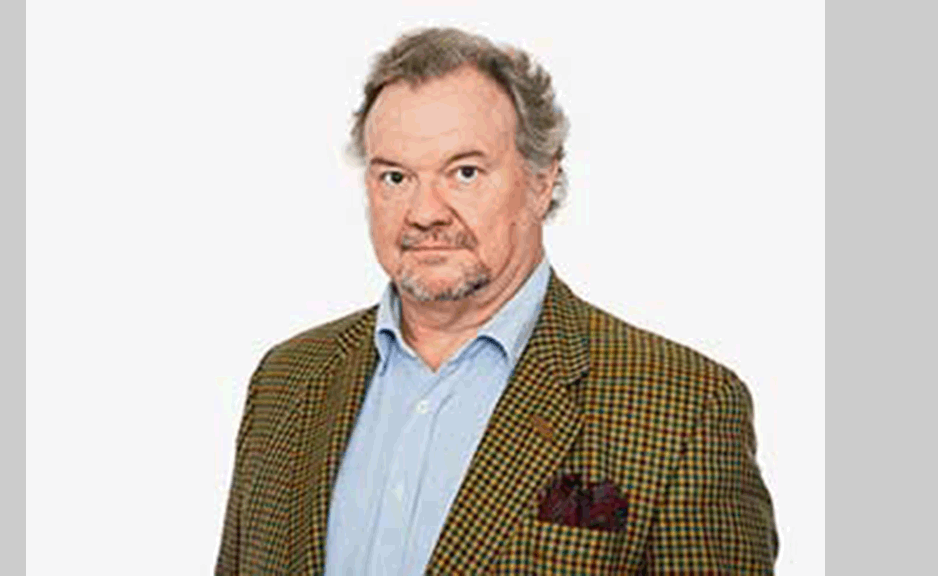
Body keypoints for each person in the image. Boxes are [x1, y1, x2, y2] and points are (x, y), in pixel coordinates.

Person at [215, 27, 778, 575]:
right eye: (395, 178)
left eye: (464, 172)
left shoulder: (683, 409)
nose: (425, 212)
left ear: (542, 181)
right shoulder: (286, 382)